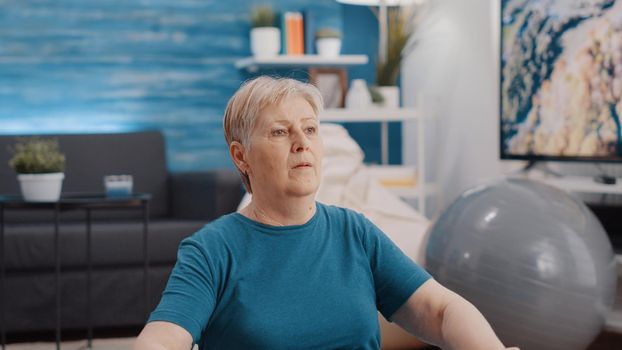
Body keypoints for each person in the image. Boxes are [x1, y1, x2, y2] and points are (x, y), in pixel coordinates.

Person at [134, 76, 519, 350]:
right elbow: (165, 336)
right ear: (241, 156)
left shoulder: (356, 233)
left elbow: (440, 309)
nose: (302, 144)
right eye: (281, 132)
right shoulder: (211, 250)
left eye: (311, 130)